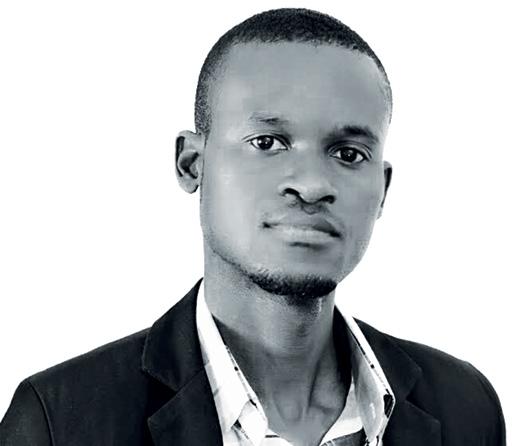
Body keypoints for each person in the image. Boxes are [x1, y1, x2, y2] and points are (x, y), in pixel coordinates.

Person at [0, 8, 506, 446]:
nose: (312, 185)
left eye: (348, 154)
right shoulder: (61, 421)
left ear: (383, 189)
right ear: (192, 164)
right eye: (268, 143)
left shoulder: (465, 406)